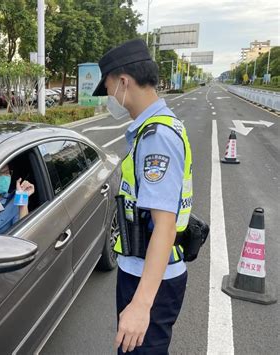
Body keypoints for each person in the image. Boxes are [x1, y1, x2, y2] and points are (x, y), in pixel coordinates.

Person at [92, 39, 193, 354]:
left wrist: (140, 304)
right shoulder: (156, 128)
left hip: (151, 280)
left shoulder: (156, 137)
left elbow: (165, 225)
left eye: (107, 88)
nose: (109, 97)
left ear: (123, 82)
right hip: (145, 271)